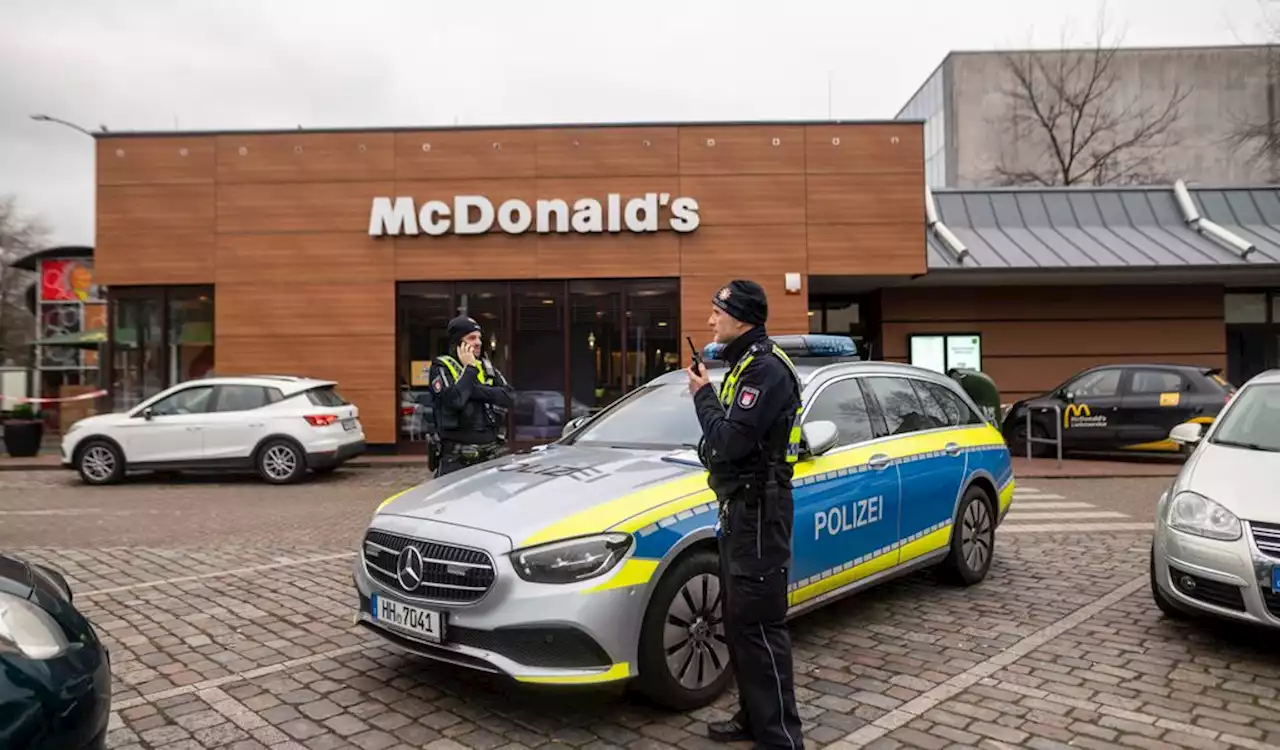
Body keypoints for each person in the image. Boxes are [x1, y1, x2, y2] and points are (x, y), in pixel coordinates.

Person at [686, 280, 805, 750]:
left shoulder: (766, 370)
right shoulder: (744, 367)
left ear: (742, 319)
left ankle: (781, 739)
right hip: (742, 510)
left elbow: (731, 441)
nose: (711, 320)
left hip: (760, 512)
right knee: (739, 625)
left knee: (759, 626)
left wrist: (701, 396)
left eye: (718, 312)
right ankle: (754, 717)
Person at [427, 315, 515, 477]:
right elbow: (454, 401)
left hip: (490, 457)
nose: (478, 342)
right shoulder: (441, 367)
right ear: (458, 342)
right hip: (457, 460)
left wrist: (472, 391)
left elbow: (509, 397)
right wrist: (469, 370)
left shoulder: (486, 367)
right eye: (472, 338)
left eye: (479, 338)